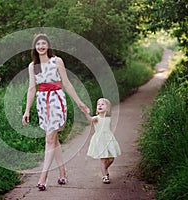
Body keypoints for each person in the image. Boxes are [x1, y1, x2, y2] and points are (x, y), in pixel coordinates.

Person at [22, 33, 90, 191]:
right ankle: (62, 171)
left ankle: (43, 177)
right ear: (35, 47)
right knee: (54, 139)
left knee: (49, 139)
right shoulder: (33, 66)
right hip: (42, 102)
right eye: (38, 44)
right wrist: (27, 110)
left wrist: (79, 103)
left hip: (56, 101)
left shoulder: (57, 61)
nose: (41, 46)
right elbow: (32, 88)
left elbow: (66, 83)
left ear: (48, 46)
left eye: (43, 43)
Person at [86, 98, 121, 184]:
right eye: (98, 104)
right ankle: (105, 176)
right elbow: (90, 120)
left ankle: (105, 168)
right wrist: (86, 113)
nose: (100, 106)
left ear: (107, 108)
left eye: (102, 104)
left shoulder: (109, 118)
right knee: (103, 159)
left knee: (111, 159)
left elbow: (110, 129)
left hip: (108, 139)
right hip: (100, 140)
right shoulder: (96, 118)